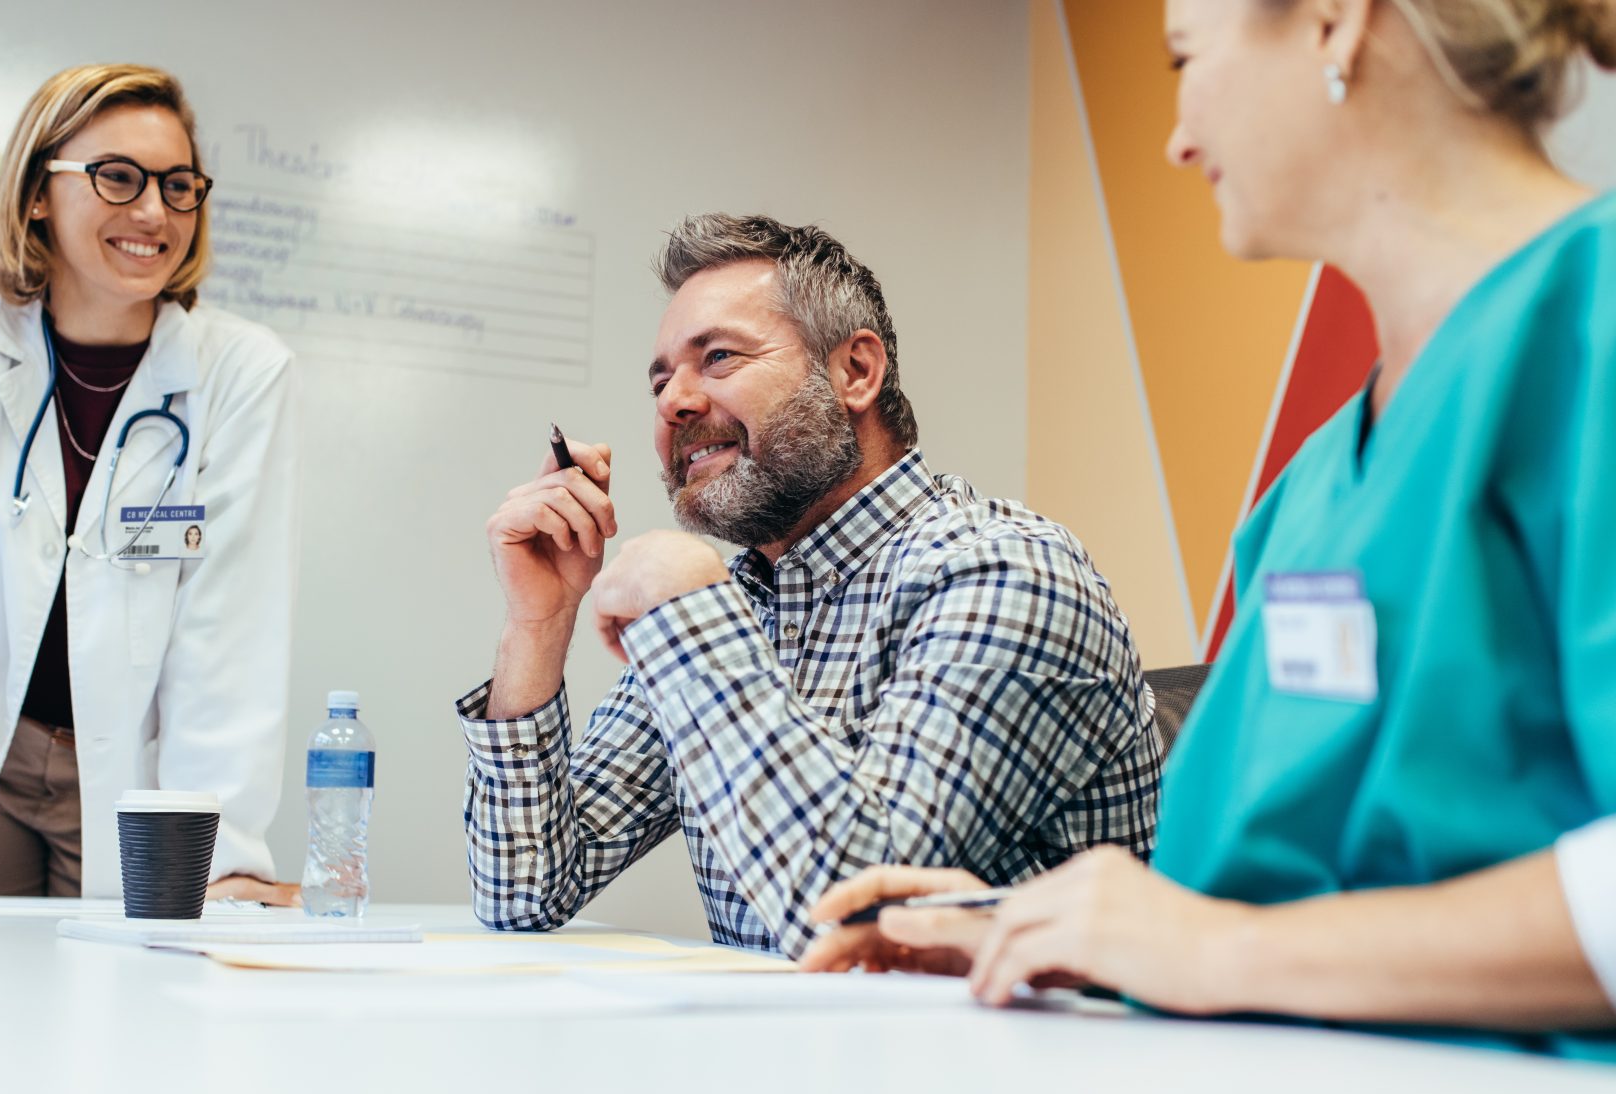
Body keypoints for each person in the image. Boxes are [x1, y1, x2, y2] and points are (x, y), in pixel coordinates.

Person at [805, 0, 1616, 1057]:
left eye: (1182, 59)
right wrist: (1066, 935)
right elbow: (1276, 900)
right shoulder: (1306, 498)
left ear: (1335, 23)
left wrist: (1213, 951)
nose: (1174, 137)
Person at [458, 215, 1164, 958]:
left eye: (719, 357)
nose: (673, 403)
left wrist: (690, 604)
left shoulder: (1007, 573)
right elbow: (524, 888)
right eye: (662, 380)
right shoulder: (737, 601)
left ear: (855, 371)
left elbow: (856, 929)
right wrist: (539, 624)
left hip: (1014, 1068)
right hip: (807, 1063)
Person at [0, 65, 301, 904]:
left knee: (136, 1008)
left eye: (178, 185)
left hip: (131, 771)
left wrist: (222, 848)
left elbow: (230, 631)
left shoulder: (240, 373)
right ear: (37, 193)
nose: (154, 212)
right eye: (117, 177)